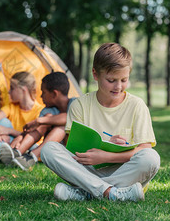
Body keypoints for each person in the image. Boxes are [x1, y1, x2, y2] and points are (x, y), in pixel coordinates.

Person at [41, 43, 160, 202]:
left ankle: (86, 192)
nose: (118, 87)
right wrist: (99, 150)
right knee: (48, 149)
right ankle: (113, 193)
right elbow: (72, 145)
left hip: (123, 169)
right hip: (87, 169)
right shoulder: (80, 105)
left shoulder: (137, 106)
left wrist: (108, 155)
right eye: (111, 80)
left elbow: (143, 149)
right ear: (95, 74)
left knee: (151, 157)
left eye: (124, 80)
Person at [11, 72, 76, 170]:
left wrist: (39, 120)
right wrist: (21, 137)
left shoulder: (76, 104)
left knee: (62, 126)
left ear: (54, 94)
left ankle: (32, 156)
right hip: (55, 151)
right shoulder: (48, 110)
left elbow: (70, 117)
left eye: (43, 92)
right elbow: (40, 127)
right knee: (46, 121)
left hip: (75, 150)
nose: (41, 96)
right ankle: (17, 153)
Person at [0, 71, 43, 165]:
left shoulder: (40, 111)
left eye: (12, 88)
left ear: (23, 90)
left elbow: (34, 137)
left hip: (31, 146)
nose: (9, 92)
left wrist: (9, 131)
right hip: (10, 142)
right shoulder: (11, 107)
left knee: (7, 128)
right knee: (3, 121)